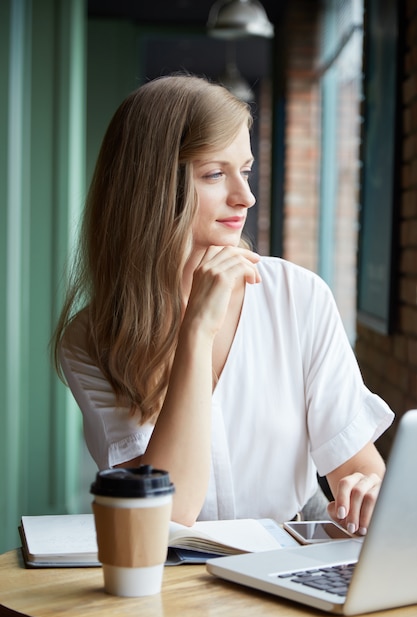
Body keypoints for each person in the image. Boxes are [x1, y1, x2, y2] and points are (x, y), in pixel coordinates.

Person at [53, 73, 394, 536]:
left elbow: (359, 468)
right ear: (152, 187)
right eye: (215, 173)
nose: (246, 197)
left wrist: (367, 490)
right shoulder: (91, 339)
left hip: (285, 565)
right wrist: (196, 331)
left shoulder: (298, 297)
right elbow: (165, 517)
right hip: (168, 580)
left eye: (246, 171)